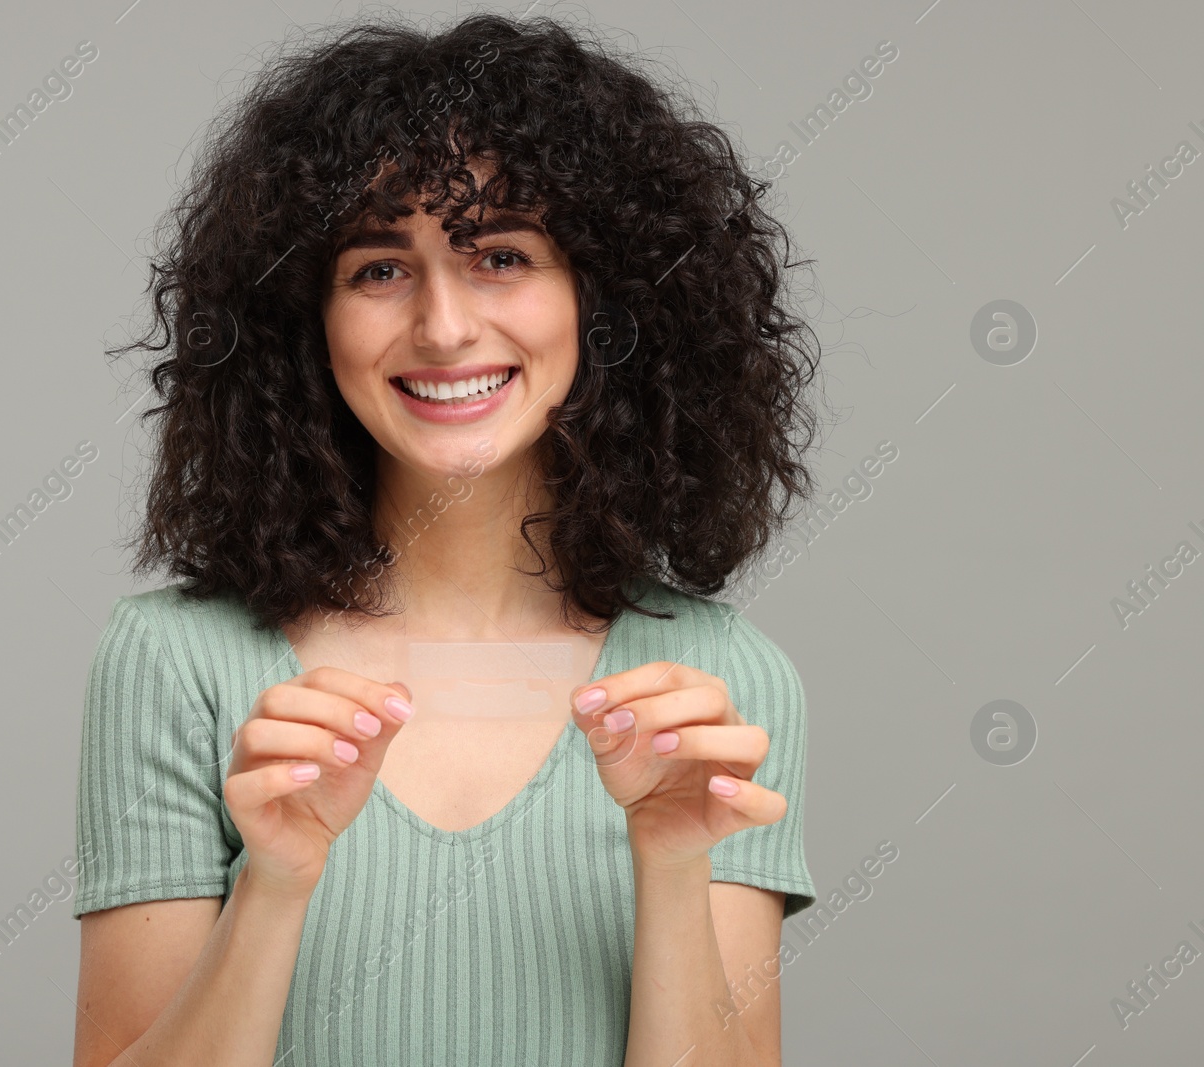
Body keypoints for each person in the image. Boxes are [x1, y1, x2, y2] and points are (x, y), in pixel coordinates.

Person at [70, 11, 823, 1066]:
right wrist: (273, 882)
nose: (443, 327)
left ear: (602, 300)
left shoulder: (718, 684)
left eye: (500, 255)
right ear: (306, 319)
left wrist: (670, 858)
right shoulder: (174, 664)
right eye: (379, 268)